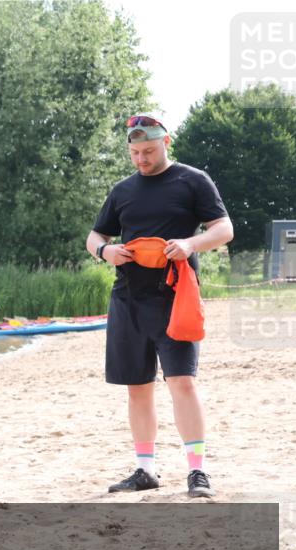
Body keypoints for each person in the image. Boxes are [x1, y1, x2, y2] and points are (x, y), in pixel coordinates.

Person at [85, 113, 233, 498]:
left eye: (148, 151)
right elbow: (95, 234)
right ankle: (145, 469)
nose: (141, 159)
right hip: (128, 298)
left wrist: (190, 244)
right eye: (134, 152)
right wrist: (105, 250)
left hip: (176, 297)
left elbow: (224, 229)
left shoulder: (193, 180)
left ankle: (197, 471)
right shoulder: (122, 190)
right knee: (137, 387)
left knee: (182, 382)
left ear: (166, 143)